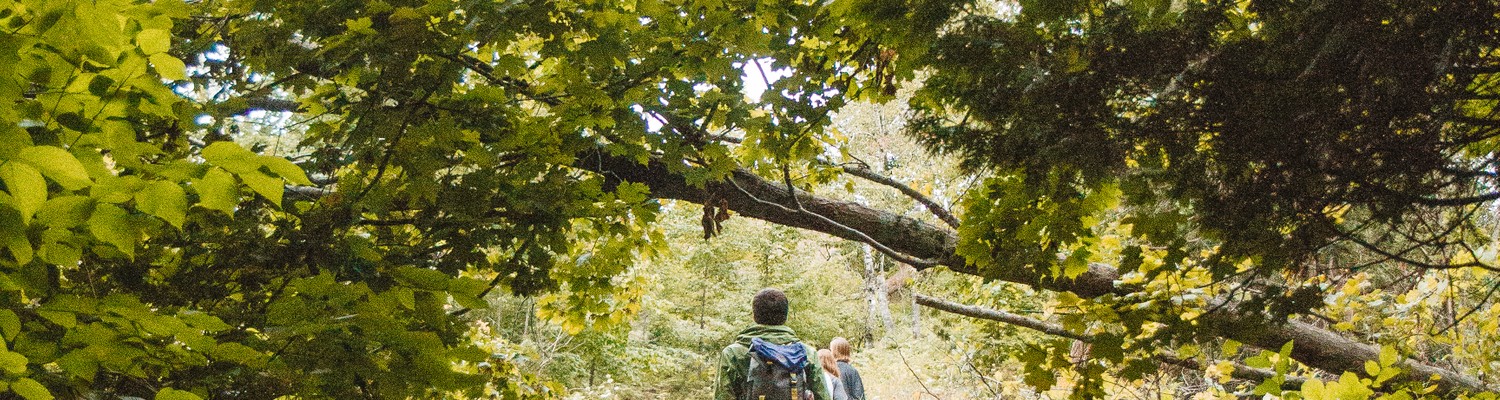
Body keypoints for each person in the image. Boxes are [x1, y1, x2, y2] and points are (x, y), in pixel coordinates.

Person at [715, 288, 834, 400]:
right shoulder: (806, 353)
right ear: (785, 316)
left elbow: (723, 395)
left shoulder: (733, 354)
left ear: (754, 315)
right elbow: (823, 396)